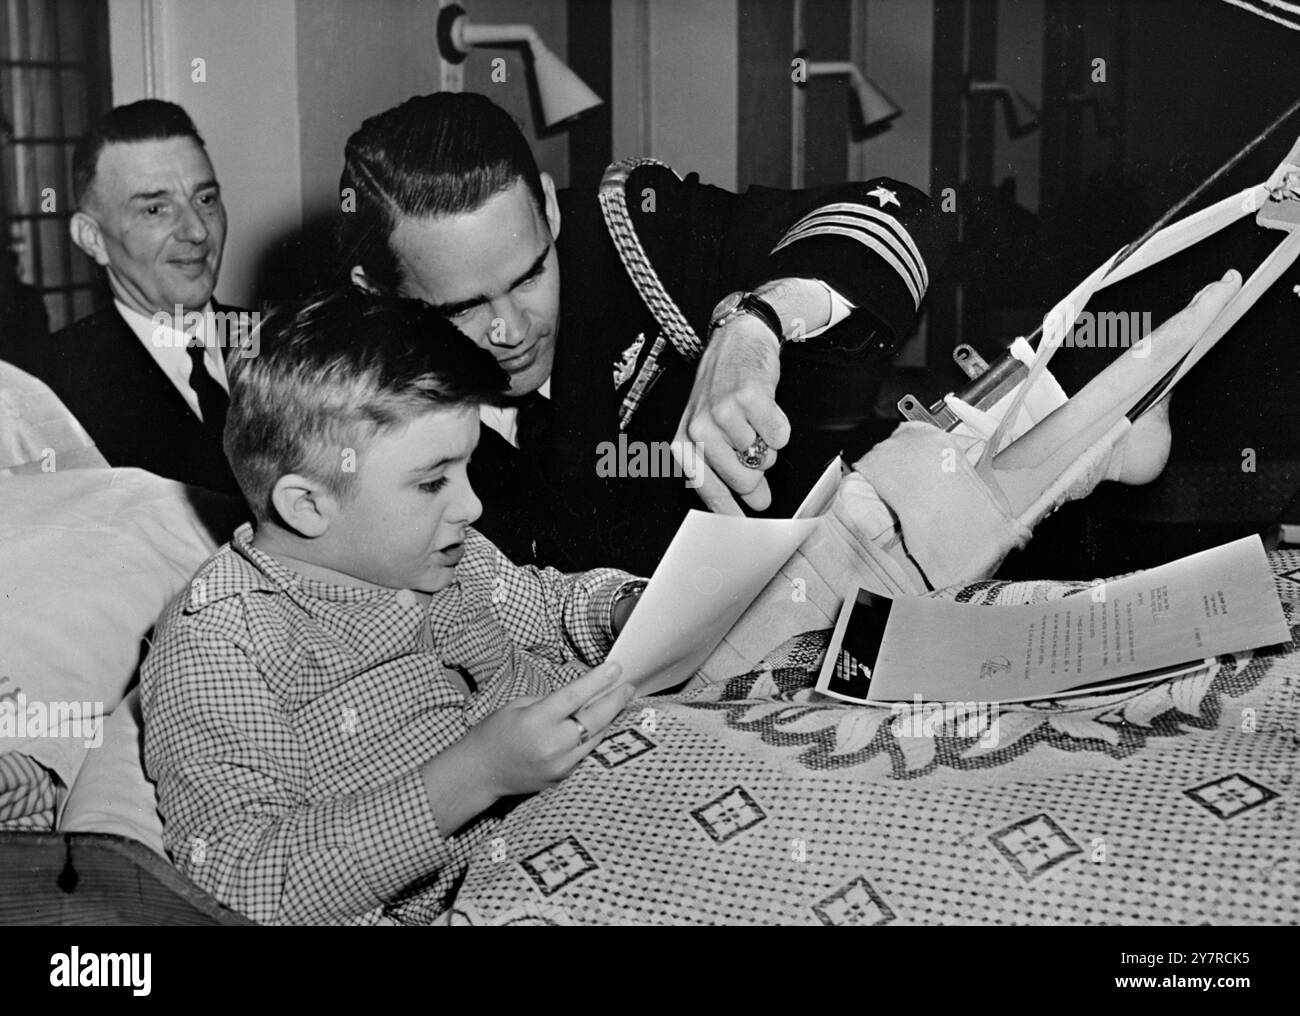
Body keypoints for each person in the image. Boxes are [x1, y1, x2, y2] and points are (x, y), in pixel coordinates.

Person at [140, 287, 644, 925]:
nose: (471, 506)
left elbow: (545, 606)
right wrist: (476, 775)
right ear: (308, 505)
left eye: (466, 468)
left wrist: (621, 605)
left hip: (618, 791)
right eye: (433, 480)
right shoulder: (224, 639)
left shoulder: (429, 547)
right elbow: (242, 882)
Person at [338, 91, 949, 574]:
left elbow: (901, 213)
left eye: (530, 275)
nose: (515, 330)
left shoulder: (633, 235)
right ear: (377, 294)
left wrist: (754, 328)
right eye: (463, 308)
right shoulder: (354, 404)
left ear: (548, 208)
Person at [16, 100, 246, 495]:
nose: (195, 232)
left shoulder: (284, 342)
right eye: (155, 209)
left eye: (205, 199)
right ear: (93, 239)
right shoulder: (46, 396)